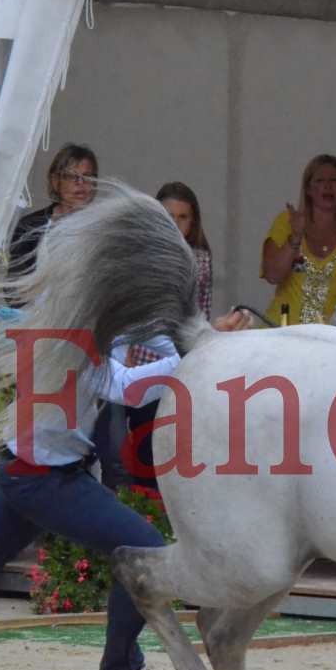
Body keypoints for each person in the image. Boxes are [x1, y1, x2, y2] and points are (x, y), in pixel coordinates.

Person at [0, 194, 249, 670]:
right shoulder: (66, 332)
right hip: (44, 477)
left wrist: (185, 344)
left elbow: (127, 353)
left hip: (32, 472)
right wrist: (196, 352)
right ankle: (121, 668)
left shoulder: (68, 317)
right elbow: (126, 388)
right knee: (143, 547)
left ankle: (122, 666)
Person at [124, 183, 250, 489]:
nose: (177, 224)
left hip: (182, 361)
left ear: (193, 222)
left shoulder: (200, 258)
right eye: (169, 216)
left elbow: (199, 313)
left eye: (184, 217)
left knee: (175, 442)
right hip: (144, 360)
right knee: (142, 440)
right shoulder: (140, 257)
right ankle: (144, 504)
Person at [260, 154, 336, 325]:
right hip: (283, 331)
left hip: (334, 336)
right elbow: (272, 276)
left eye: (335, 180)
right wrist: (295, 238)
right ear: (308, 189)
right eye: (319, 181)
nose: (327, 186)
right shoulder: (287, 222)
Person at [6, 142, 99, 290]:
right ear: (56, 181)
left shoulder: (105, 228)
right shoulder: (29, 226)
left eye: (87, 177)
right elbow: (14, 285)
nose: (81, 184)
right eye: (72, 177)